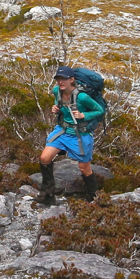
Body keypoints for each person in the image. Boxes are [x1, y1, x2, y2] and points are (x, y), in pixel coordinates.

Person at [39, 66, 105, 204]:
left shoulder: (82, 97)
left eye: (64, 79)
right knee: (45, 158)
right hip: (62, 131)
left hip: (80, 134)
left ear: (72, 80)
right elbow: (60, 107)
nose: (60, 82)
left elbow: (99, 110)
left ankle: (93, 198)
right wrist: (56, 109)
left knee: (84, 169)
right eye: (58, 79)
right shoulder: (56, 91)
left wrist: (83, 115)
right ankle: (47, 195)